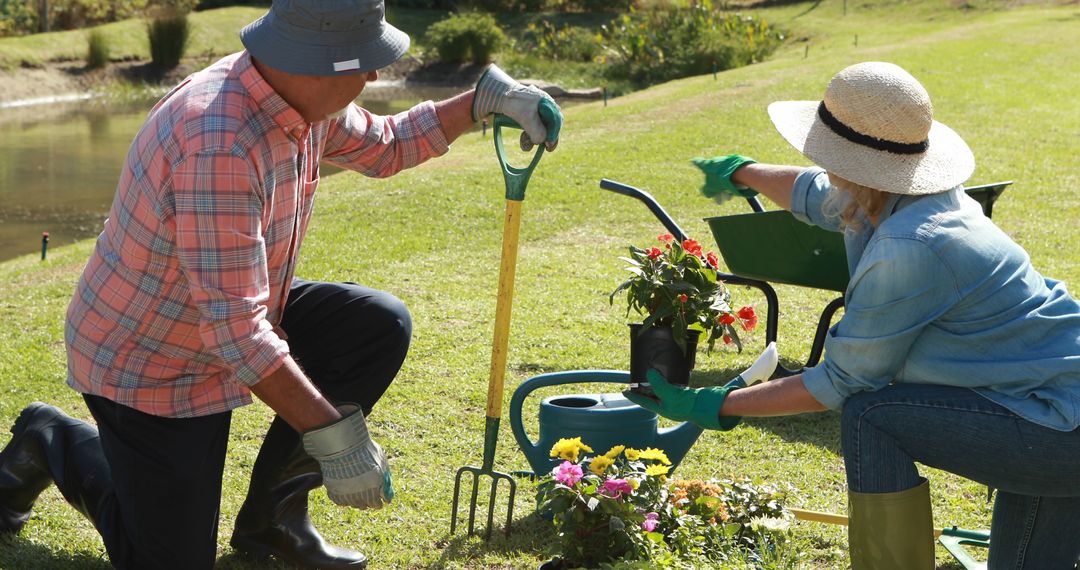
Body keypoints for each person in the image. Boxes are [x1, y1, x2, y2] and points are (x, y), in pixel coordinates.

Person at [0, 0, 561, 568]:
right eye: (363, 63)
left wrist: (484, 100)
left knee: (375, 324)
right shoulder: (218, 140)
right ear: (316, 61)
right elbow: (237, 335)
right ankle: (51, 440)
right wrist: (337, 440)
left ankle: (273, 523)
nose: (373, 76)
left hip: (225, 315)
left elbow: (388, 143)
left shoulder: (295, 97)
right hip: (149, 359)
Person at [626, 61, 1080, 569]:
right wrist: (742, 170)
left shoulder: (911, 245)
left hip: (1058, 426)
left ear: (859, 165)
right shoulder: (901, 196)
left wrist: (716, 404)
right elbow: (817, 193)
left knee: (872, 415)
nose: (821, 162)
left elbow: (841, 382)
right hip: (1054, 401)